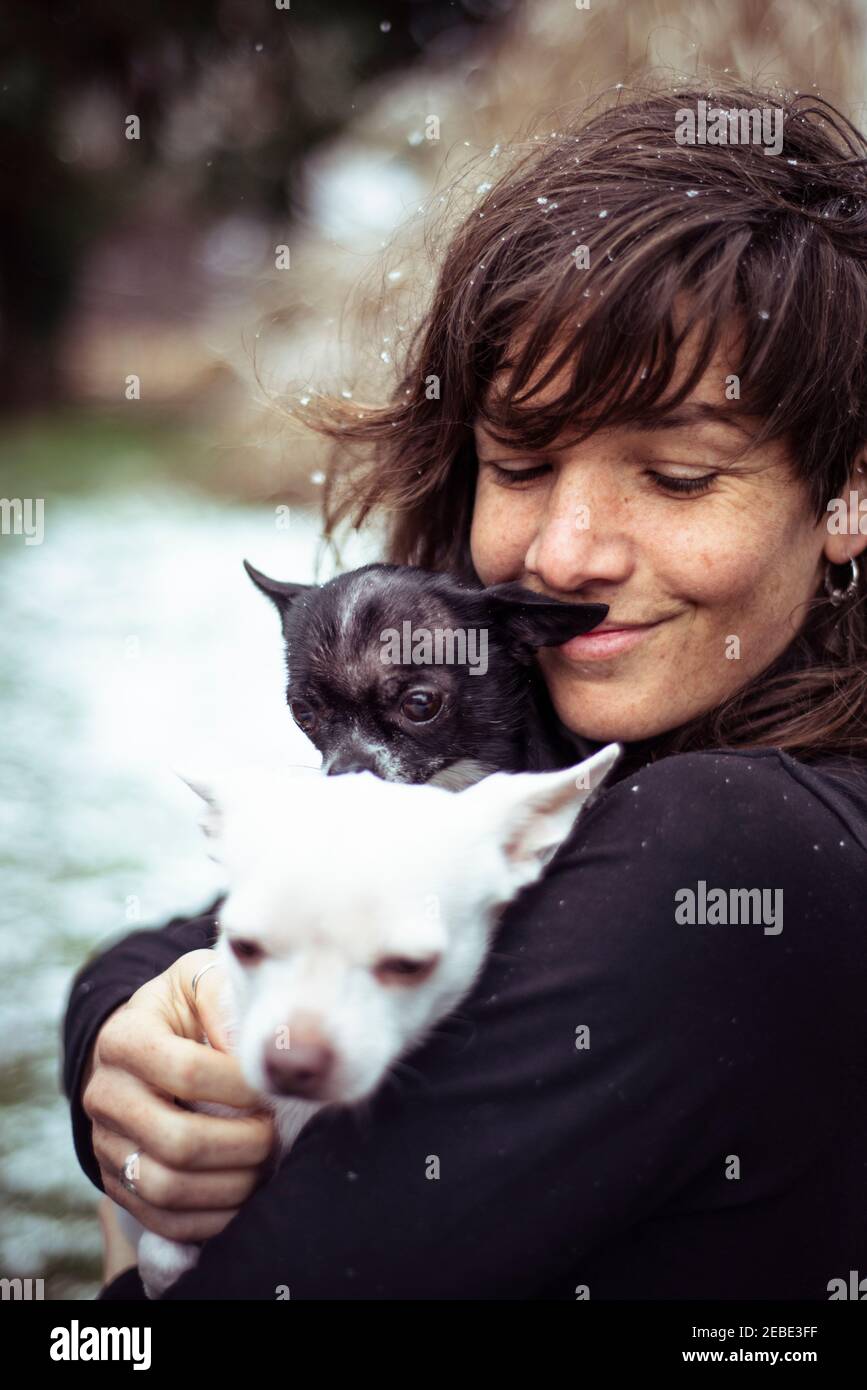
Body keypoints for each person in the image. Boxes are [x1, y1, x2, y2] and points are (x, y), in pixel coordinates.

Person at [63, 82, 867, 1299]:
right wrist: (116, 1054)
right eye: (523, 462)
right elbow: (177, 937)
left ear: (849, 494)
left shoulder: (734, 849)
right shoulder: (547, 763)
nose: (567, 552)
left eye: (681, 476)